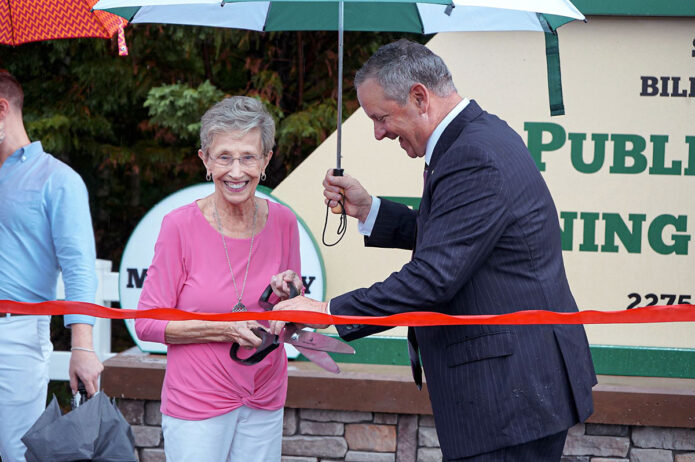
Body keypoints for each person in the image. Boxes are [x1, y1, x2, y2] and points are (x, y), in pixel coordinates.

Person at [270, 40, 597, 461]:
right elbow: (458, 237)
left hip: (508, 396)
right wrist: (371, 211)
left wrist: (328, 312)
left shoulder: (472, 155)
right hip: (515, 389)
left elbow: (434, 277)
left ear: (419, 97)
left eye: (381, 117)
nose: (379, 132)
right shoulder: (479, 135)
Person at [136, 96, 302, 462]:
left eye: (248, 157)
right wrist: (223, 329)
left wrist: (289, 295)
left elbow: (290, 315)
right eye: (224, 156)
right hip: (198, 400)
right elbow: (146, 324)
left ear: (267, 159)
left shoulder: (284, 222)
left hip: (264, 394)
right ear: (205, 160)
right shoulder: (179, 226)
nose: (237, 171)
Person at [0, 70, 104, 462]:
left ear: (2, 109)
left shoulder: (59, 180)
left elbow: (79, 268)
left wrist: (82, 347)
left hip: (16, 335)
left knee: (16, 452)